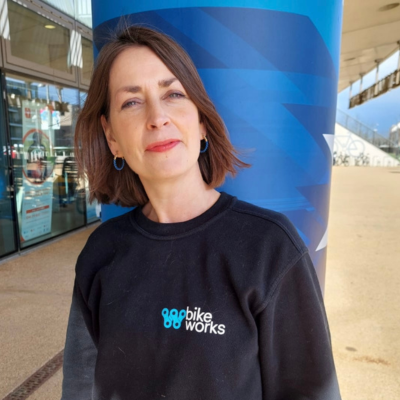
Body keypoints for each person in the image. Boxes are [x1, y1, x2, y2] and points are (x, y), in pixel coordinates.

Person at [61, 25, 341, 400]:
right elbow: (80, 389)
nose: (157, 117)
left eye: (173, 94)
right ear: (112, 138)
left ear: (202, 121)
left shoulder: (270, 247)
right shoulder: (100, 253)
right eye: (132, 101)